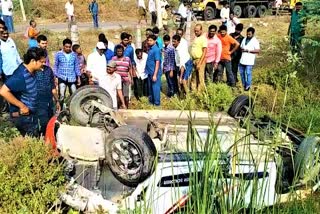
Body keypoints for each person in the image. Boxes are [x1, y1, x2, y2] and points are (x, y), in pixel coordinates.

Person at [0, 47, 46, 137]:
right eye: (42, 62)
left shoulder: (32, 71)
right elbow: (3, 91)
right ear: (33, 61)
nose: (43, 64)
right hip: (23, 117)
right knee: (33, 140)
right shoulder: (20, 76)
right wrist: (22, 106)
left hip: (32, 115)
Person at [36, 56, 60, 136]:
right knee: (44, 122)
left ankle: (49, 138)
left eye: (44, 62)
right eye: (41, 62)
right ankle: (42, 138)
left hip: (49, 100)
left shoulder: (48, 70)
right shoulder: (33, 71)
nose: (43, 63)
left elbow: (53, 87)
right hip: (39, 101)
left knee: (51, 121)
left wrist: (57, 101)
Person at [53, 38, 80, 107]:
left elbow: (76, 66)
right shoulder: (58, 54)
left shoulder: (74, 55)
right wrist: (55, 77)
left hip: (72, 77)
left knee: (74, 94)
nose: (68, 48)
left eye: (69, 47)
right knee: (62, 95)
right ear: (63, 46)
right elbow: (55, 66)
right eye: (66, 47)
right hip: (62, 76)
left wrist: (78, 77)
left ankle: (73, 108)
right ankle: (61, 109)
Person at [190, 24, 207, 91]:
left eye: (197, 31)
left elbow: (204, 52)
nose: (196, 32)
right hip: (194, 60)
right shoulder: (196, 38)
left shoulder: (203, 39)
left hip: (200, 60)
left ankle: (201, 93)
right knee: (194, 77)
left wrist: (200, 63)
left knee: (200, 78)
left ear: (201, 31)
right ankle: (194, 92)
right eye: (195, 31)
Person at [146, 35, 161, 106]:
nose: (149, 42)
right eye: (148, 40)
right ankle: (151, 101)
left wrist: (155, 74)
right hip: (150, 72)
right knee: (150, 87)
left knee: (155, 88)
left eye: (150, 40)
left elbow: (157, 62)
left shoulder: (156, 50)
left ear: (155, 41)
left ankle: (157, 103)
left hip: (155, 72)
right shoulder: (150, 49)